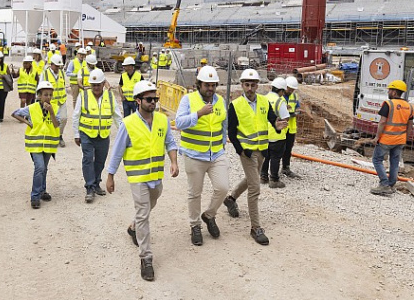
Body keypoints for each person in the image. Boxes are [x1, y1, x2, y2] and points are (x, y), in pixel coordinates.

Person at [105, 80, 179, 282]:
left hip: (156, 178)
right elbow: (117, 151)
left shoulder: (162, 120)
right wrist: (110, 176)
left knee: (149, 205)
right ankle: (146, 258)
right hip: (138, 178)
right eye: (149, 99)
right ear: (138, 101)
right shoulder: (128, 124)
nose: (153, 102)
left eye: (155, 98)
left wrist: (174, 162)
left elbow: (170, 142)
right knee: (144, 213)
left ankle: (133, 227)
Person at [223, 69, 287, 246]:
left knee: (252, 180)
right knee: (255, 187)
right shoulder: (235, 105)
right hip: (247, 152)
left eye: (253, 85)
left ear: (257, 85)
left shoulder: (264, 102)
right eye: (246, 84)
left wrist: (278, 125)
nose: (250, 88)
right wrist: (240, 150)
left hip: (262, 150)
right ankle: (255, 227)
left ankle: (231, 198)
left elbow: (272, 118)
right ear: (242, 85)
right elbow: (232, 132)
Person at [175, 65, 228, 246]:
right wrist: (198, 114)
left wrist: (223, 142)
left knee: (222, 188)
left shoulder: (220, 100)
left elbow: (223, 123)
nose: (211, 89)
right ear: (199, 84)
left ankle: (209, 215)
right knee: (194, 193)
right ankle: (195, 225)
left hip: (216, 155)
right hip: (194, 155)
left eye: (213, 85)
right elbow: (179, 123)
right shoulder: (188, 99)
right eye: (207, 85)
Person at [73, 68, 123, 203]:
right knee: (88, 159)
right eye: (93, 85)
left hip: (103, 134)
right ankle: (89, 188)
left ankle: (96, 183)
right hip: (86, 134)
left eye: (98, 84)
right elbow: (76, 116)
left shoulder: (110, 97)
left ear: (103, 84)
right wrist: (76, 134)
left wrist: (124, 133)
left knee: (100, 161)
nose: (95, 87)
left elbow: (117, 116)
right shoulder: (83, 96)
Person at [11, 81, 60, 209]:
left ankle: (43, 190)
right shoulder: (32, 108)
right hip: (35, 144)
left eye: (50, 95)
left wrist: (51, 112)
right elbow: (15, 113)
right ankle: (35, 196)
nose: (48, 97)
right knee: (40, 167)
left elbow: (56, 124)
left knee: (44, 168)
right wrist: (27, 123)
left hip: (48, 144)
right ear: (39, 96)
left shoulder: (55, 107)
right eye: (45, 95)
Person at [370, 80, 413, 196]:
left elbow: (382, 122)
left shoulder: (388, 104)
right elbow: (410, 126)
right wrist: (405, 139)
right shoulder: (409, 106)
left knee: (377, 160)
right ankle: (391, 184)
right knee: (394, 162)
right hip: (400, 140)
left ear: (394, 92)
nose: (388, 92)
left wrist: (377, 137)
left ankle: (384, 184)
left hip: (387, 139)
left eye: (389, 90)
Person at [260, 77, 291, 188]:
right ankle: (274, 179)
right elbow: (286, 117)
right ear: (281, 91)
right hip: (276, 135)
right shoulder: (280, 101)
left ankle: (263, 176)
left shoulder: (264, 98)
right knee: (275, 157)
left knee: (265, 156)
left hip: (264, 133)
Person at [43, 53, 68, 147]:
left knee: (64, 119)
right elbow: (40, 87)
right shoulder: (45, 73)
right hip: (50, 102)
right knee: (50, 121)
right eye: (56, 66)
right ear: (51, 64)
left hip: (61, 100)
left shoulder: (62, 73)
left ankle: (59, 135)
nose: (58, 68)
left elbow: (63, 85)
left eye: (59, 66)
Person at [280, 76, 301, 179]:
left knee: (288, 149)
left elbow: (298, 109)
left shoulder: (295, 97)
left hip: (291, 128)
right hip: (280, 127)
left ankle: (285, 168)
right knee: (277, 149)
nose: (291, 91)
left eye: (293, 89)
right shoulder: (279, 97)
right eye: (289, 89)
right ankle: (270, 170)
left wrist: (294, 113)